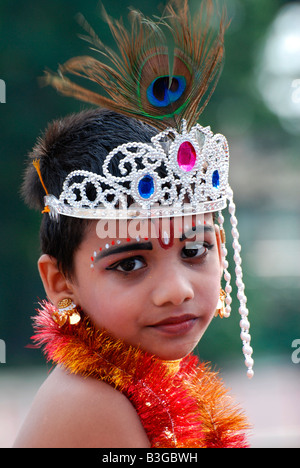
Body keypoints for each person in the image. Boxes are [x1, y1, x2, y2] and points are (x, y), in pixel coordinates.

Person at [14, 0, 253, 448]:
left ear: (220, 247)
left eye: (193, 251)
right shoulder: (91, 403)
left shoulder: (149, 381)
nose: (176, 290)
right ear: (61, 281)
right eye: (129, 264)